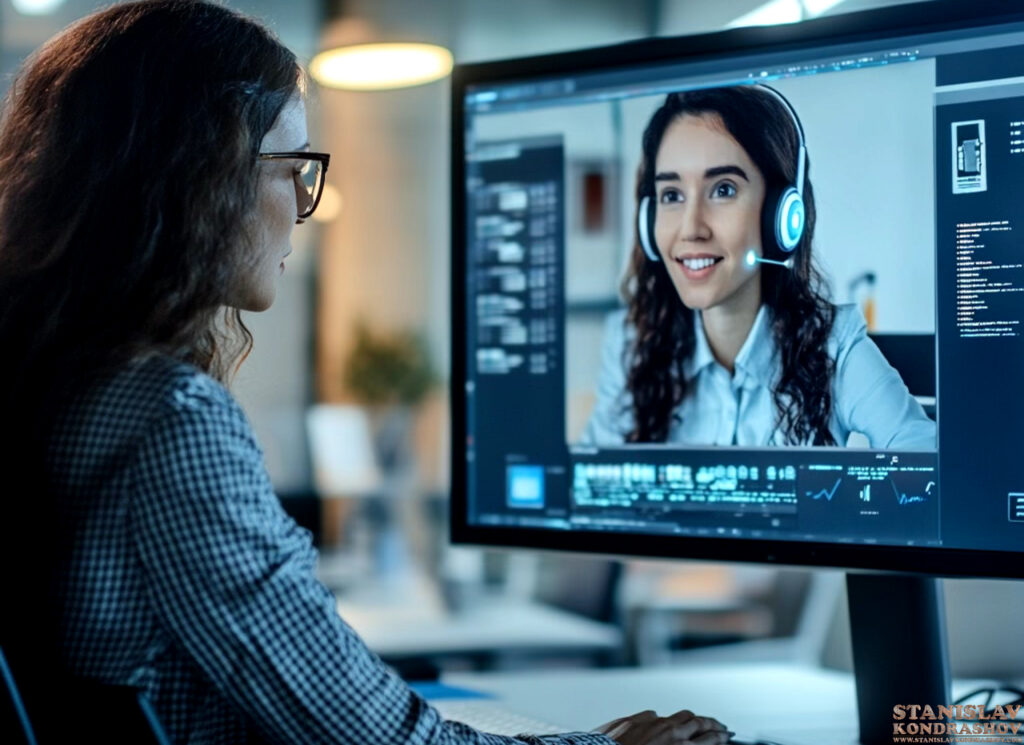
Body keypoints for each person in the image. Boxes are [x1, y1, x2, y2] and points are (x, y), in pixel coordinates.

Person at [0, 2, 732, 744]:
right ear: (203, 177)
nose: (303, 209)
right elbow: (382, 739)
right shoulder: (170, 421)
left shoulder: (57, 388)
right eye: (293, 170)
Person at [581, 86, 935, 449]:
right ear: (648, 218)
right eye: (671, 195)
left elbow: (924, 457)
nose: (690, 229)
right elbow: (590, 488)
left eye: (723, 189)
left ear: (780, 216)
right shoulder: (633, 344)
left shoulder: (832, 345)